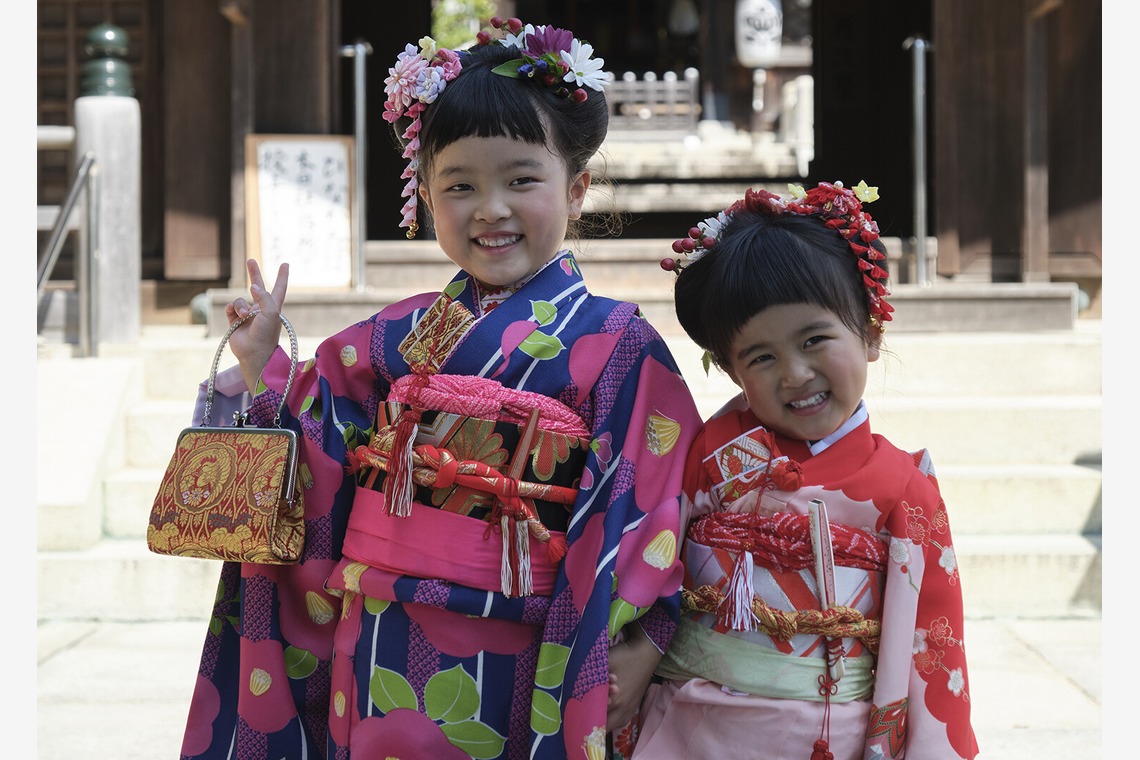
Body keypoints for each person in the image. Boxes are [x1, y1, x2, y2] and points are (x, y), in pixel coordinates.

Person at [178, 16, 701, 760]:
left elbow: (656, 503)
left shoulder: (619, 345)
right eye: (460, 185)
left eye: (522, 180)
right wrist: (266, 367)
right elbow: (313, 439)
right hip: (379, 631)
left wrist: (648, 634)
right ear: (424, 195)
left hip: (524, 636)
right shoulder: (394, 337)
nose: (490, 208)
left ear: (577, 189)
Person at [623, 182, 979, 759]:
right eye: (761, 357)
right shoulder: (706, 454)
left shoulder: (902, 487)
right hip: (688, 728)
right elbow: (645, 564)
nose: (793, 373)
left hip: (828, 736)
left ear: (871, 332)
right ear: (734, 372)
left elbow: (935, 649)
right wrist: (638, 649)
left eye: (815, 339)